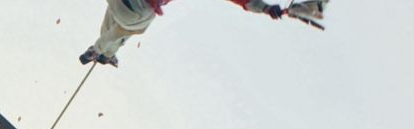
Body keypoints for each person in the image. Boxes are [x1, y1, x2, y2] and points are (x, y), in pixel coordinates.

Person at [80, 0, 285, 67]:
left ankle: (105, 52)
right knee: (132, 24)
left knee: (115, 17)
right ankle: (99, 50)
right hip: (138, 10)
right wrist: (266, 8)